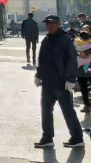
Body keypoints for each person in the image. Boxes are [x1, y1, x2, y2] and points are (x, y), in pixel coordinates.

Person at [34, 15, 84, 148]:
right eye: (47, 23)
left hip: (62, 83)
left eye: (52, 23)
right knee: (46, 111)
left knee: (68, 111)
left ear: (59, 24)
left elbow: (72, 61)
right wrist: (38, 75)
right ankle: (47, 138)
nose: (49, 26)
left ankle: (77, 138)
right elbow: (41, 60)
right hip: (47, 84)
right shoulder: (46, 41)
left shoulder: (66, 40)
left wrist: (70, 80)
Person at [74, 25, 91, 113]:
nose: (84, 31)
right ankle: (86, 105)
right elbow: (72, 51)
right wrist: (80, 53)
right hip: (80, 67)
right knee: (83, 88)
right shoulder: (76, 41)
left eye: (86, 30)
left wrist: (85, 52)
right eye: (83, 30)